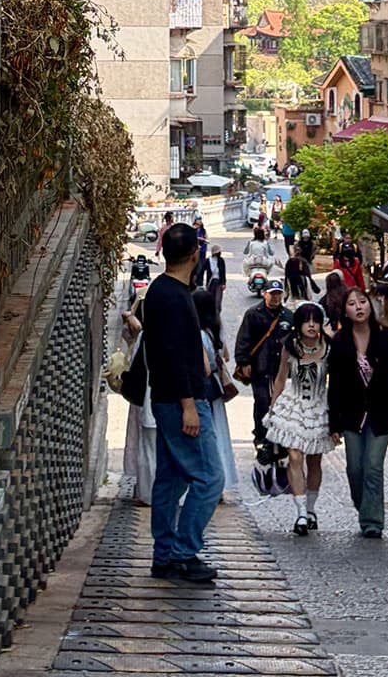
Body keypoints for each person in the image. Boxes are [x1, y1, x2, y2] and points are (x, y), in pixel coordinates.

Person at [141, 221, 225, 583]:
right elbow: (174, 355)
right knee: (209, 478)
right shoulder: (175, 297)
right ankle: (184, 551)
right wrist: (189, 405)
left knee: (170, 479)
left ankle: (164, 555)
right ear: (195, 255)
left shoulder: (160, 292)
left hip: (165, 397)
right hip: (181, 400)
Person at [327, 287, 388, 538]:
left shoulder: (385, 337)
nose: (359, 307)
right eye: (352, 304)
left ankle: (372, 521)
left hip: (382, 412)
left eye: (363, 302)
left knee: (372, 466)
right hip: (352, 415)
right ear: (346, 311)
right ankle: (364, 506)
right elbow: (336, 386)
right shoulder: (340, 342)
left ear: (370, 306)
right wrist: (334, 423)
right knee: (355, 468)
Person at [266, 303, 333, 535]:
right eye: (307, 321)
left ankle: (311, 509)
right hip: (293, 406)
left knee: (314, 460)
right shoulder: (290, 347)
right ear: (299, 324)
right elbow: (281, 378)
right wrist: (272, 406)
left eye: (316, 321)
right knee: (294, 457)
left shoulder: (329, 348)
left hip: (318, 406)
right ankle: (301, 513)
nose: (312, 326)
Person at [194, 288, 241, 501]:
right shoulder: (215, 329)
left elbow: (202, 367)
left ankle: (210, 483)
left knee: (206, 437)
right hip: (215, 389)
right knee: (218, 435)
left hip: (202, 389)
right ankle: (218, 483)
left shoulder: (198, 334)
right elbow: (226, 355)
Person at [234, 277, 294, 447]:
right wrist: (243, 362)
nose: (275, 298)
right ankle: (261, 436)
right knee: (262, 402)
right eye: (272, 294)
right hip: (260, 367)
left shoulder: (288, 316)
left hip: (281, 369)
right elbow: (243, 339)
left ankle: (279, 437)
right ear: (265, 294)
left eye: (278, 294)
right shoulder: (253, 314)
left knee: (282, 403)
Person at [118, 298, 156, 505]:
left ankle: (147, 494)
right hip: (167, 403)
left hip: (147, 402)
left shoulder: (145, 337)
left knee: (147, 450)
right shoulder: (172, 334)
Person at [204, 245, 227, 314]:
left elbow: (223, 272)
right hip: (211, 283)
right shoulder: (208, 260)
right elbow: (202, 269)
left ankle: (217, 314)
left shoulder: (221, 260)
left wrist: (224, 283)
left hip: (219, 282)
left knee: (218, 301)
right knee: (210, 299)